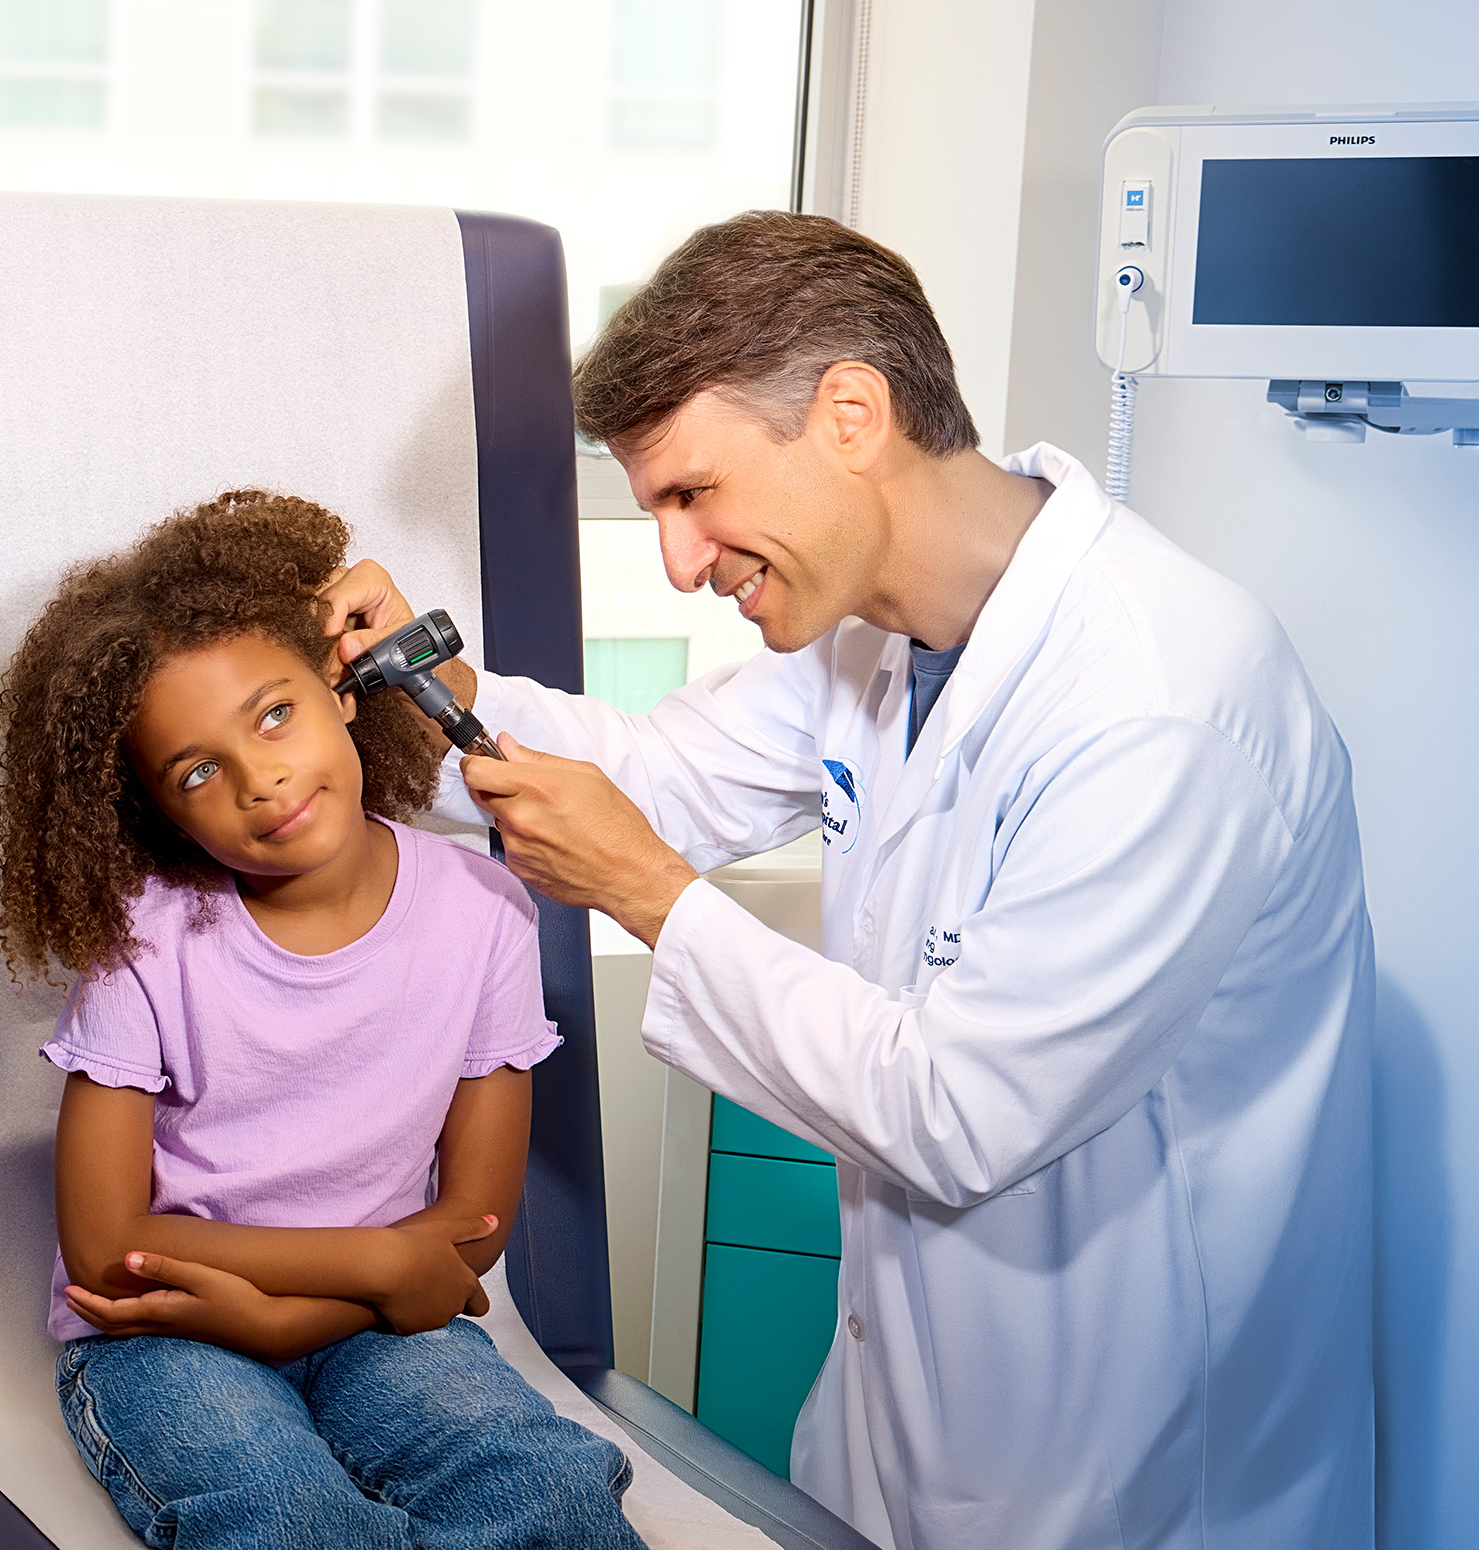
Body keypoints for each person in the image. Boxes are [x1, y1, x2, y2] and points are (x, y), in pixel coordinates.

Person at [328, 212, 1373, 1548]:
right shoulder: (874, 635)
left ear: (852, 414)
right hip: (907, 1425)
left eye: (692, 495)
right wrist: (426, 691)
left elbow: (956, 1114)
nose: (681, 562)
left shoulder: (1160, 708)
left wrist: (647, 894)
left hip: (1134, 1468)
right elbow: (654, 775)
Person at [0, 491, 646, 1550]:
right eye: (199, 770)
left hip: (380, 1326)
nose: (263, 778)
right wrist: (382, 1263)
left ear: (341, 692)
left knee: (554, 1498)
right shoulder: (145, 943)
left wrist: (300, 1313)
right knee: (292, 1524)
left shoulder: (482, 912)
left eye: (275, 713)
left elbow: (471, 1223)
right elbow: (109, 1250)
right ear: (157, 808)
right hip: (170, 1331)